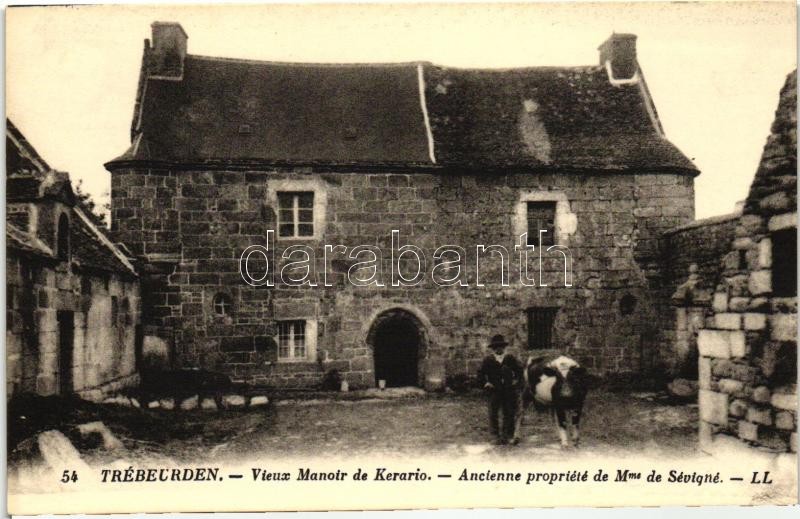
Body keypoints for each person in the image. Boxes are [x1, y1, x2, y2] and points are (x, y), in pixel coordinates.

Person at [477, 334, 524, 445]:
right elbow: (480, 374)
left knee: (509, 412)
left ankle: (507, 435)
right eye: (496, 347)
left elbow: (519, 371)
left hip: (508, 390)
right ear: (493, 348)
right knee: (493, 413)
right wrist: (486, 383)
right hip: (494, 390)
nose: (499, 349)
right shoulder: (488, 360)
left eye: (501, 346)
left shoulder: (510, 358)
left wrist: (516, 381)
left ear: (504, 347)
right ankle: (495, 436)